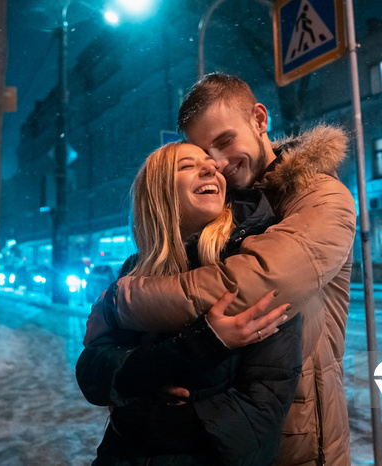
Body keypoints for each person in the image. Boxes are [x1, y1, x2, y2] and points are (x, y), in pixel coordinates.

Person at [87, 73, 357, 465]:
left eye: (225, 141)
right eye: (201, 151)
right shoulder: (222, 222)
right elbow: (99, 367)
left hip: (298, 443)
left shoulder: (321, 197)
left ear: (260, 120)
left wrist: (120, 300)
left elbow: (253, 285)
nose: (217, 163)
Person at [77, 142, 303, 465]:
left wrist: (141, 419)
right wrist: (192, 350)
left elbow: (258, 417)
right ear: (158, 193)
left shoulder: (253, 264)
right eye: (187, 166)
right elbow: (91, 372)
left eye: (210, 163)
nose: (212, 168)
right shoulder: (135, 271)